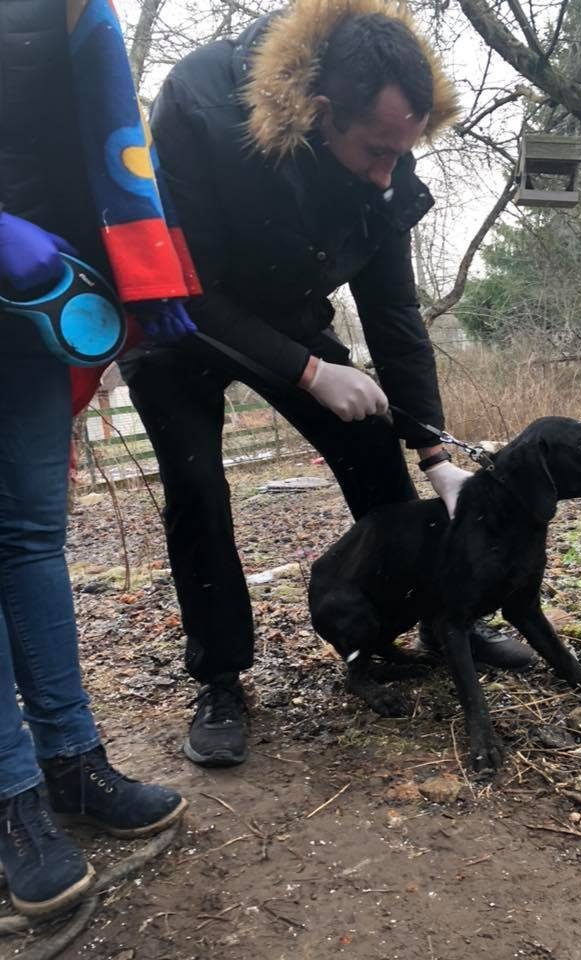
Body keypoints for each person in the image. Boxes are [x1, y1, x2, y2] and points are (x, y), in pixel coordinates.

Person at [121, 0, 534, 771]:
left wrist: (435, 447)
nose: (389, 172)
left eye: (400, 153)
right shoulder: (199, 101)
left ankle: (439, 620)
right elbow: (191, 285)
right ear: (318, 115)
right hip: (177, 321)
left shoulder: (385, 156)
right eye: (376, 151)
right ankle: (219, 676)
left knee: (374, 447)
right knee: (199, 489)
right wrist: (310, 372)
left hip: (283, 311)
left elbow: (394, 311)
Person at [0, 0, 194, 918]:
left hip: (36, 298)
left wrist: (131, 274)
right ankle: (10, 801)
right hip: (16, 256)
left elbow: (99, 124)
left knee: (33, 538)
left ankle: (72, 762)